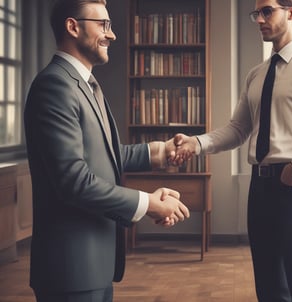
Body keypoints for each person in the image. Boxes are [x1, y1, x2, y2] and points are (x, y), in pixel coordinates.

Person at [170, 0, 292, 301]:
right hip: (260, 186)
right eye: (257, 13)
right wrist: (196, 143)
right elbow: (238, 129)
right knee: (268, 287)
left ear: (291, 12)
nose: (260, 20)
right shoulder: (256, 74)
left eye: (268, 11)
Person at [24, 0, 190, 301]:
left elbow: (105, 154)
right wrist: (148, 203)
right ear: (73, 27)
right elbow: (73, 180)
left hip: (94, 265)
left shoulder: (84, 85)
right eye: (103, 25)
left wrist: (160, 151)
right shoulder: (54, 86)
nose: (112, 35)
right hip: (69, 269)